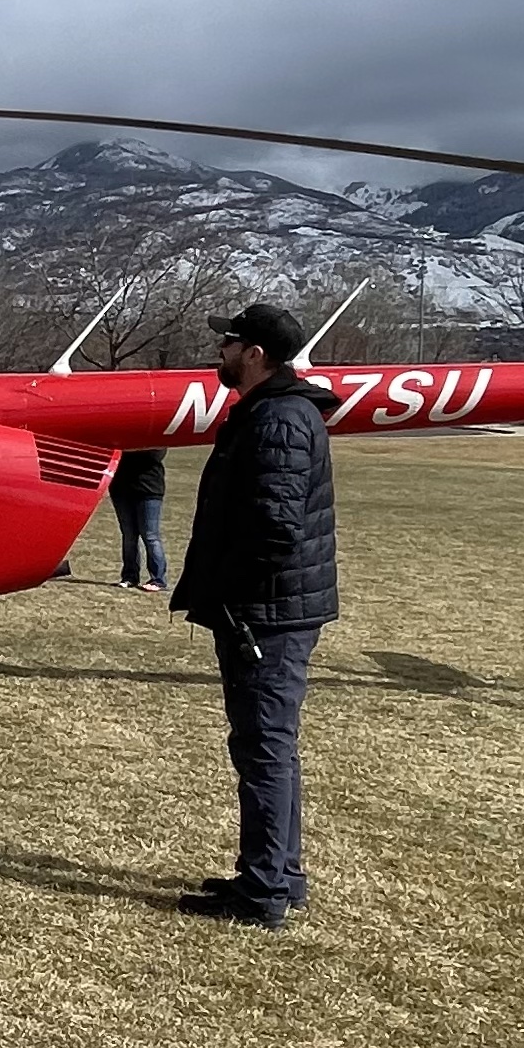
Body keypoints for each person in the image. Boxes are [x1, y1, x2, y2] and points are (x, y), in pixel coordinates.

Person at [168, 303, 339, 931]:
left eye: (230, 344)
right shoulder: (275, 414)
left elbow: (274, 528)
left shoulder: (278, 422)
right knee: (270, 746)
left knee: (264, 747)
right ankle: (278, 873)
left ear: (256, 355)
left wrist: (232, 600)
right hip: (271, 606)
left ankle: (264, 888)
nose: (221, 353)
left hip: (267, 613)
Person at [110, 446, 169, 590]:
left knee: (150, 535)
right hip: (121, 488)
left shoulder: (155, 437)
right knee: (129, 535)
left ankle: (158, 579)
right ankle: (130, 576)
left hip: (148, 489)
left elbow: (154, 455)